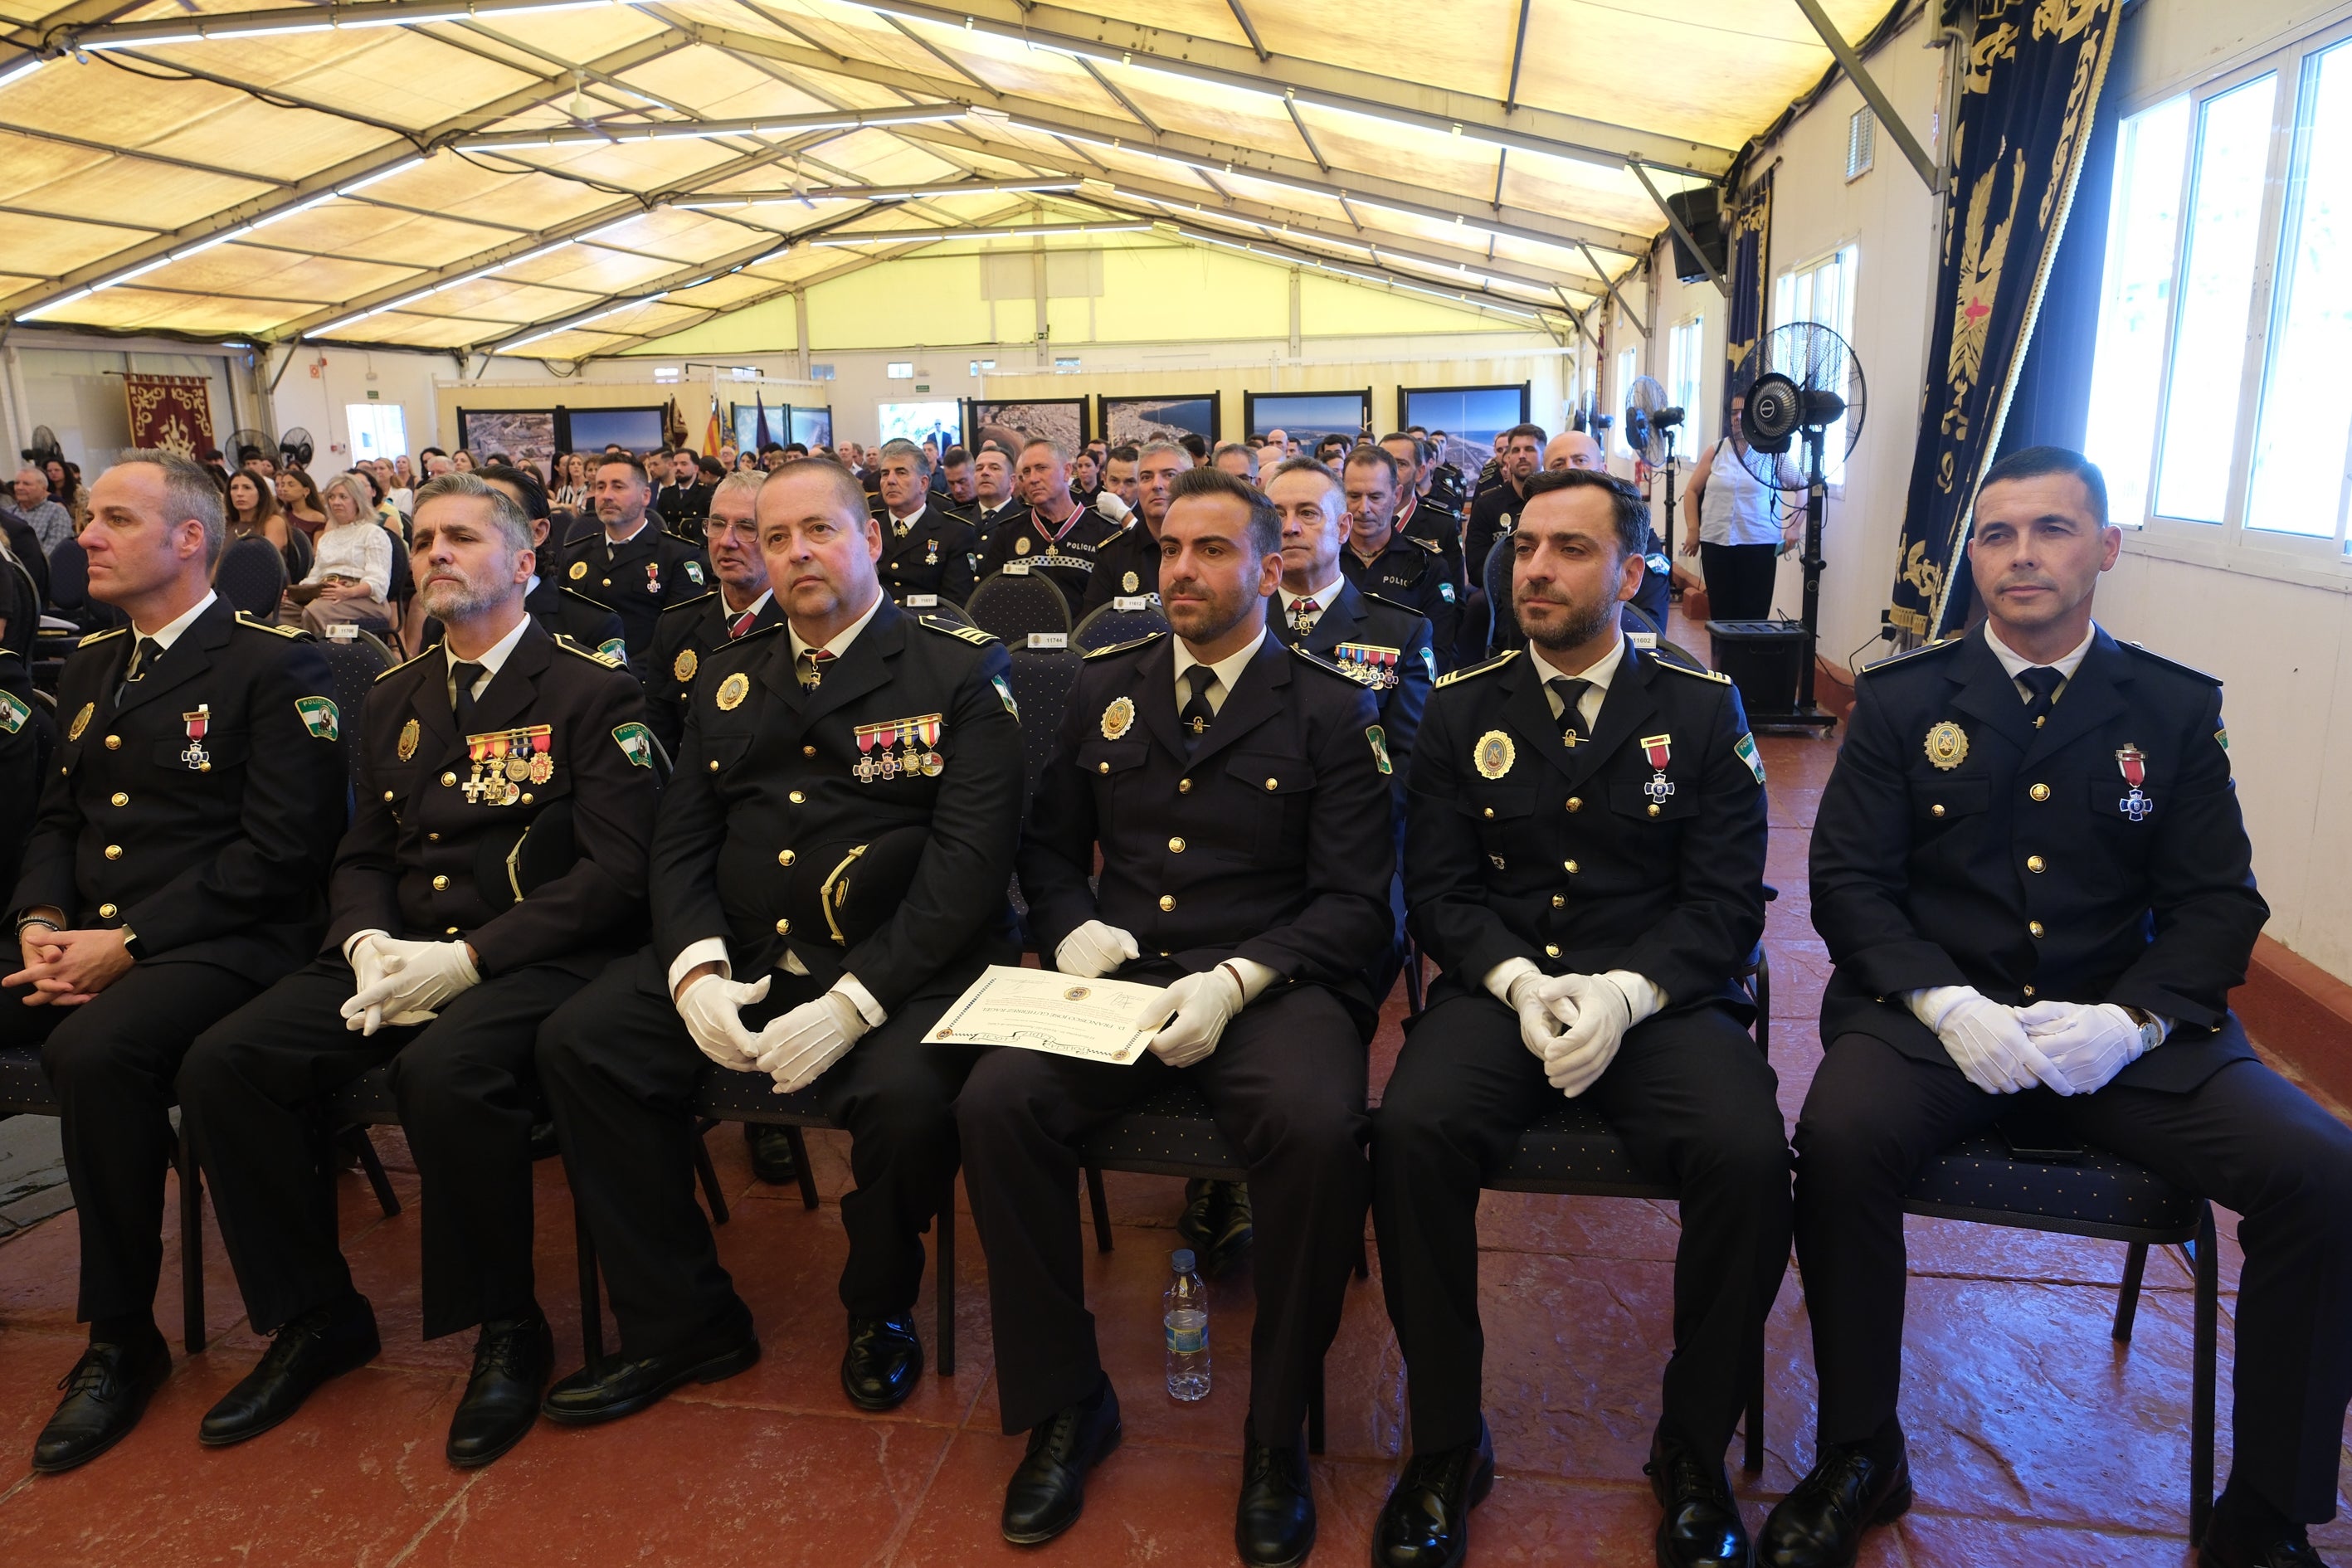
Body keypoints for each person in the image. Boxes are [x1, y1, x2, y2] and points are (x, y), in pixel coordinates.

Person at [1765, 446, 2352, 1568]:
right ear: (1970, 556)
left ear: (2104, 548)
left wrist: (2130, 1020)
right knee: (1835, 1139)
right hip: (1936, 1026)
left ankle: (2264, 1513)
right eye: (1995, 534)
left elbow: (2214, 902)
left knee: (2319, 1169)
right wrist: (1940, 1001)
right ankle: (1857, 1450)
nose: (2020, 554)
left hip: (2119, 1034)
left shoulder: (2172, 712)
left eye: (2050, 529)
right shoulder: (1900, 703)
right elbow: (1847, 883)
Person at [175, 473, 656, 1468]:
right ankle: (317, 1316)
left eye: (464, 539)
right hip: (399, 951)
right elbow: (360, 853)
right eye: (426, 537)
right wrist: (363, 942)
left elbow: (618, 873)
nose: (436, 552)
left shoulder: (591, 691)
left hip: (535, 956)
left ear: (524, 564)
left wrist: (471, 958)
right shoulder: (394, 694)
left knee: (444, 1074)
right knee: (226, 1062)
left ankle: (507, 1327)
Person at [957, 465, 1393, 1563]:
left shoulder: (1334, 708)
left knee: (1313, 1128)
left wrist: (1240, 977)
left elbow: (1356, 905)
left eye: (1209, 550)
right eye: (1168, 550)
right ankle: (1066, 1401)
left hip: (1268, 983)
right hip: (1122, 972)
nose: (1181, 570)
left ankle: (1273, 1431)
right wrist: (1067, 929)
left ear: (1267, 563)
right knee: (997, 1101)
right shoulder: (1111, 684)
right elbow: (1048, 844)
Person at [535, 459, 1024, 1428]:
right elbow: (680, 841)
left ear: (871, 540)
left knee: (903, 1100)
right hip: (751, 959)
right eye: (775, 537)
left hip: (901, 965)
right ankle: (684, 1321)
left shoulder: (960, 667)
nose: (796, 553)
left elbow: (967, 873)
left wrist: (857, 1002)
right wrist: (696, 970)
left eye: (820, 530)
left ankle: (879, 1307)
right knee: (583, 1041)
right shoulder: (729, 675)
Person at [1370, 468, 1785, 1568]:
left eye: (1567, 549)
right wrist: (1514, 980)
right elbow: (1442, 888)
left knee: (1746, 1152)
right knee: (1409, 1132)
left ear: (1630, 573)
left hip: (1657, 998)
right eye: (1522, 549)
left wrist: (1624, 991)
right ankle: (1446, 1440)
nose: (1535, 570)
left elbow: (1724, 900)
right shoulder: (1462, 704)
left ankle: (1689, 1446)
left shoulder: (1697, 708)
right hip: (1503, 988)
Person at [4, 450, 345, 1474]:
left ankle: (119, 1339)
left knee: (98, 1053)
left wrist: (131, 943)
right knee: (77, 1023)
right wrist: (42, 916)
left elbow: (284, 850)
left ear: (188, 538)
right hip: (94, 933)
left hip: (227, 941)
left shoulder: (272, 662)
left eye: (113, 518)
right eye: (87, 516)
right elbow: (59, 819)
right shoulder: (99, 663)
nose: (87, 535)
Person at [555, 455, 708, 669]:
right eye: (600, 487)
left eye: (618, 487)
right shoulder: (575, 555)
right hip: (581, 676)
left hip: (645, 681)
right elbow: (559, 624)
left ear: (646, 496)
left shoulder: (677, 556)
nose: (606, 496)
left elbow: (681, 635)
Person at [1340, 444, 1458, 671]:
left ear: (1396, 496)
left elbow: (1437, 653)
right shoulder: (1325, 560)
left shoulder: (1427, 565)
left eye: (1375, 497)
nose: (1363, 508)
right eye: (1354, 496)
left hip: (1404, 686)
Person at [973, 438, 1122, 616]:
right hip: (1021, 640)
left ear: (1067, 472)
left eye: (1041, 468)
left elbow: (1110, 610)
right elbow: (992, 601)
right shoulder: (1008, 533)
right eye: (1026, 472)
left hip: (1084, 640)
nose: (1033, 479)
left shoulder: (1105, 533)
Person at [1680, 396, 1793, 622]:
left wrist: (1795, 528)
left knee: (1754, 614)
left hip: (1759, 544)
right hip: (1717, 543)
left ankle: (1750, 659)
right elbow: (1691, 491)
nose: (1737, 417)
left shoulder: (1773, 452)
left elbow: (1801, 488)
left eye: (1743, 412)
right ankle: (1723, 659)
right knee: (1722, 614)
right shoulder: (1717, 450)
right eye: (1733, 413)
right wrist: (1694, 529)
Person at [1076, 438, 1190, 617]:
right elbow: (1093, 628)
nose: (1156, 485)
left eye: (1169, 475)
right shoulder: (1115, 553)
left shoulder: (1210, 549)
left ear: (1189, 482)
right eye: (1146, 477)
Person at [869, 438, 979, 609]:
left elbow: (955, 607)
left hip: (926, 627)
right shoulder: (869, 529)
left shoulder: (954, 533)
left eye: (901, 472)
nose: (890, 480)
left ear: (923, 483)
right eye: (885, 473)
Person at [284, 472, 395, 637]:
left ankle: (325, 659)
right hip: (326, 592)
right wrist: (297, 592)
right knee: (282, 613)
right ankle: (298, 656)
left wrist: (349, 592)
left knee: (314, 612)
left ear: (357, 501)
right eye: (331, 497)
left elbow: (378, 581)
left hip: (364, 597)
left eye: (343, 497)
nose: (336, 502)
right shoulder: (327, 538)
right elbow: (316, 576)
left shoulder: (373, 533)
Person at [1463, 423, 1546, 599]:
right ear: (1507, 458)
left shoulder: (1556, 504)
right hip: (1500, 593)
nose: (1522, 456)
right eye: (1516, 450)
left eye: (1529, 449)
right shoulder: (1486, 505)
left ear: (1543, 455)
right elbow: (1476, 570)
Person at [968, 445, 1027, 543]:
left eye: (994, 468)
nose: (985, 472)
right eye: (979, 468)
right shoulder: (959, 521)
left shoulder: (1026, 519)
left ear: (1012, 481)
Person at [14, 465, 75, 557]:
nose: (19, 487)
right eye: (17, 483)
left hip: (39, 567)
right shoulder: (7, 513)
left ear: (43, 488)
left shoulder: (56, 512)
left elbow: (55, 550)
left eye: (26, 484)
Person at [940, 445, 977, 509]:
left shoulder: (994, 504)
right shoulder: (941, 508)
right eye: (951, 483)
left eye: (962, 481)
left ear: (976, 473)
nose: (957, 490)